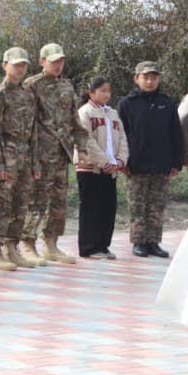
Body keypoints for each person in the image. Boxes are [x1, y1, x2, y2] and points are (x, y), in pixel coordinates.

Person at [21, 43, 90, 265]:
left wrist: (82, 146)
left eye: (61, 61)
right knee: (37, 200)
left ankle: (51, 244)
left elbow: (74, 119)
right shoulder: (32, 85)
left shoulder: (67, 86)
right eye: (53, 61)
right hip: (41, 153)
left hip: (62, 153)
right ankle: (28, 244)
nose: (58, 65)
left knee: (58, 202)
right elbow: (27, 124)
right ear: (42, 62)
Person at [118, 61, 184, 258]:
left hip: (162, 164)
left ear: (159, 79)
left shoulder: (167, 103)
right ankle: (139, 242)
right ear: (136, 78)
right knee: (138, 205)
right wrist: (123, 161)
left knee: (156, 205)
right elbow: (120, 134)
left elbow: (176, 135)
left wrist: (176, 162)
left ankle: (154, 242)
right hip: (136, 164)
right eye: (145, 77)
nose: (149, 81)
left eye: (154, 77)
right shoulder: (127, 104)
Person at [0, 47, 41, 271]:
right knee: (0, 203)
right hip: (5, 155)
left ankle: (12, 247)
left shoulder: (27, 94)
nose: (20, 69)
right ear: (4, 65)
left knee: (20, 203)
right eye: (16, 64)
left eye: (24, 65)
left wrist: (35, 161)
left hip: (24, 156)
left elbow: (33, 131)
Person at [74, 76, 128, 260]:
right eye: (102, 91)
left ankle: (103, 245)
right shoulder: (85, 112)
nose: (106, 94)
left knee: (107, 207)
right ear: (91, 92)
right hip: (91, 167)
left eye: (108, 91)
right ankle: (89, 247)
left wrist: (120, 161)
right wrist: (104, 161)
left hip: (111, 169)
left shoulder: (112, 113)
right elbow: (86, 140)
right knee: (91, 208)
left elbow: (122, 139)